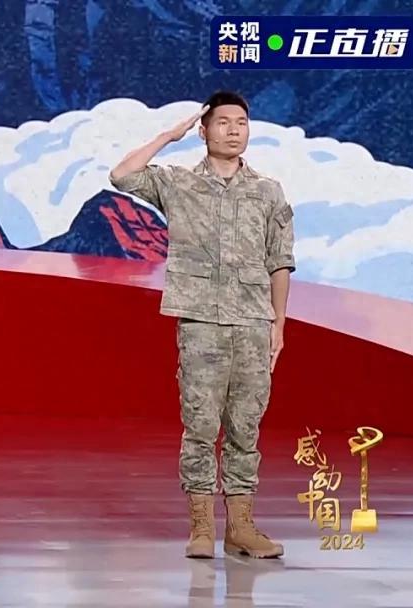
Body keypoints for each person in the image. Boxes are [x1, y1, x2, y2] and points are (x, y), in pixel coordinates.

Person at [109, 91, 294, 559]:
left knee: (245, 428)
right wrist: (167, 136)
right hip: (201, 322)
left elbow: (280, 262)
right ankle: (201, 528)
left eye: (241, 122)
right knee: (200, 426)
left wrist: (278, 324)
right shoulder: (179, 183)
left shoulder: (268, 191)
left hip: (253, 323)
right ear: (204, 130)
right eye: (223, 122)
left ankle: (241, 528)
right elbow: (122, 175)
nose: (233, 130)